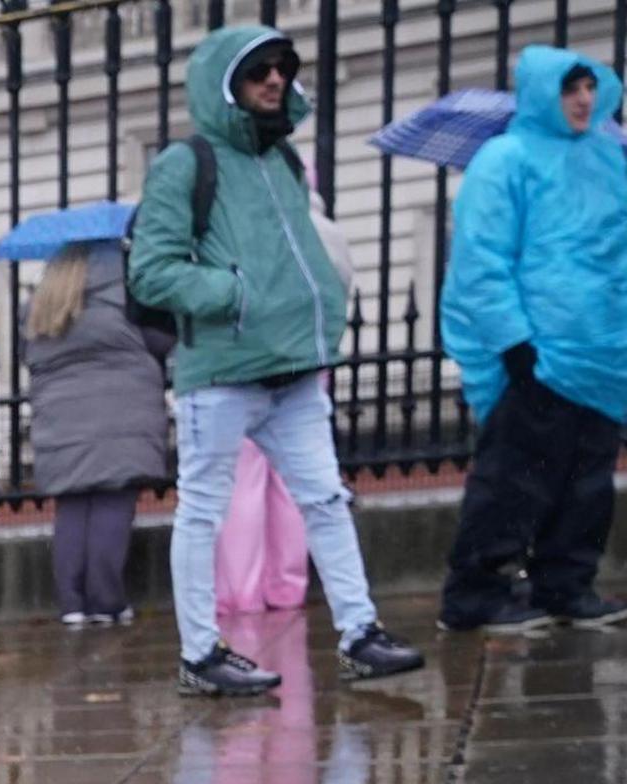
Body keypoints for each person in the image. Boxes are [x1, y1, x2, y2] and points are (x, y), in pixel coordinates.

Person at [128, 21, 425, 693]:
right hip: (223, 374)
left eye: (282, 69)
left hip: (293, 371)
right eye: (259, 69)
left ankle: (359, 632)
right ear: (224, 82)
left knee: (325, 497)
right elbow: (151, 272)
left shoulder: (282, 161)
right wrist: (236, 294)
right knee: (202, 510)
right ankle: (200, 655)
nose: (275, 80)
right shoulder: (185, 163)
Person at [437, 45, 627, 633]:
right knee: (513, 480)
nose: (584, 100)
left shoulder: (609, 156)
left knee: (588, 482)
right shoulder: (505, 159)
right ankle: (474, 596)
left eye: (590, 87)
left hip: (601, 352)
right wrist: (513, 340)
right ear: (544, 92)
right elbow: (480, 257)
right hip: (539, 352)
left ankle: (567, 584)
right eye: (571, 88)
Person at [23, 243, 175, 627]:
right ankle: (107, 601)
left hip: (60, 418)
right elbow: (163, 342)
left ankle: (73, 604)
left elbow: (31, 358)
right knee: (113, 503)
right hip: (121, 415)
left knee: (72, 509)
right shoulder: (128, 293)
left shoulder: (43, 303)